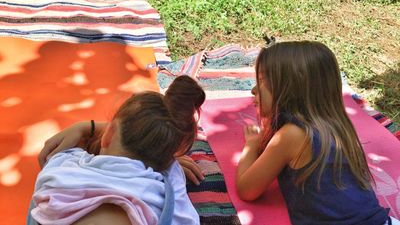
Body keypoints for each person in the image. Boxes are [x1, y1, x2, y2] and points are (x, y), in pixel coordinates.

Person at [236, 41, 399, 225]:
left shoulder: (292, 135)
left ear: (290, 88)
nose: (253, 90)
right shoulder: (338, 125)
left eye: (262, 80)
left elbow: (247, 189)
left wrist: (251, 145)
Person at [29, 75, 205, 225]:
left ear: (109, 133)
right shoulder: (169, 189)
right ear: (169, 159)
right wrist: (169, 163)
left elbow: (64, 151)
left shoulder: (63, 167)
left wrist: (86, 127)